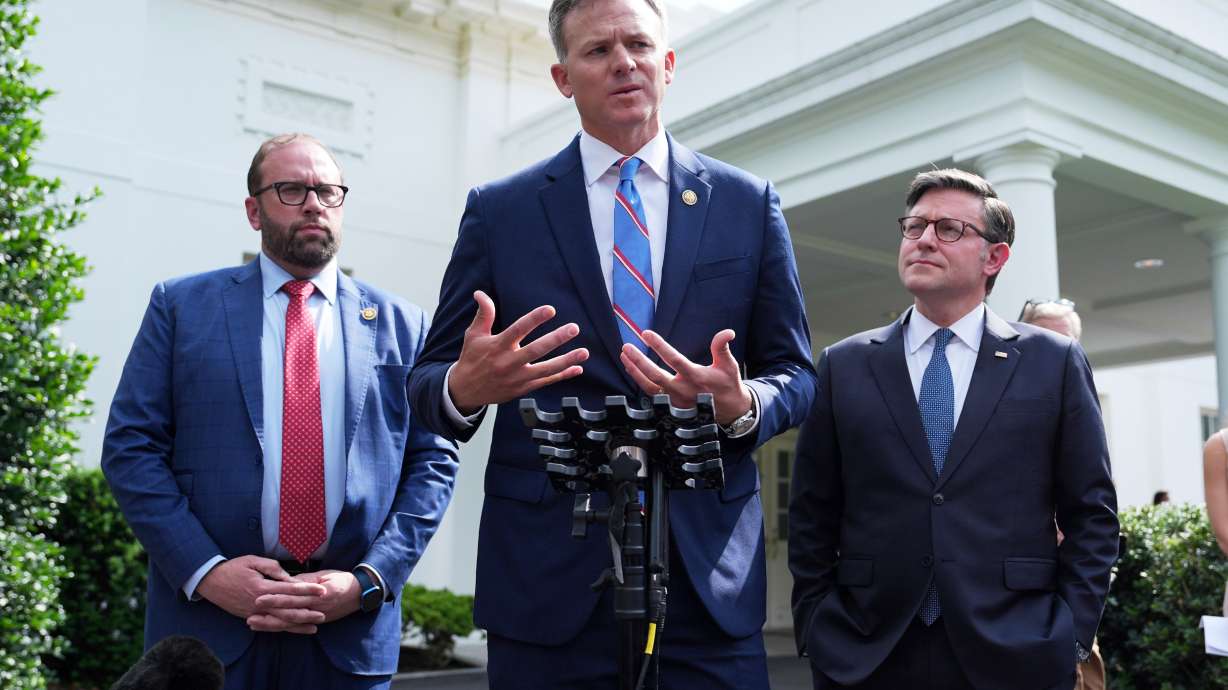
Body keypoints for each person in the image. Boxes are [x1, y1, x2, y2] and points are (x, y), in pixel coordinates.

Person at [407, 0, 817, 685]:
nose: (623, 61)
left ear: (668, 63)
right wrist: (463, 389)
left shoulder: (747, 204)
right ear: (564, 78)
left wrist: (741, 403)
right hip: (545, 581)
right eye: (598, 51)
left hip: (706, 583)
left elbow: (797, 374)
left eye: (638, 44)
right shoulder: (500, 211)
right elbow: (428, 384)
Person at [102, 133, 459, 689]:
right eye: (292, 189)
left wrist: (369, 580)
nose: (314, 203)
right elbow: (131, 448)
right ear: (254, 210)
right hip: (208, 632)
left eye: (328, 191)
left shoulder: (403, 324)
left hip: (347, 634)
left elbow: (433, 462)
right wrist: (208, 572)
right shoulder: (181, 307)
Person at [789, 168, 1119, 690]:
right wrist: (817, 624)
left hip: (1016, 651)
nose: (923, 239)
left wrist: (1070, 632)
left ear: (995, 257)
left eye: (948, 229)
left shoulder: (1051, 362)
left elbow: (1092, 514)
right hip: (866, 652)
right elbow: (811, 514)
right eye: (914, 226)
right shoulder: (844, 364)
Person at [1020, 300, 1107, 690]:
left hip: (1064, 599)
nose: (1057, 352)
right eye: (1046, 339)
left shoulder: (1080, 408)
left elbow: (1096, 512)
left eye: (1066, 342)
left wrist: (1074, 635)